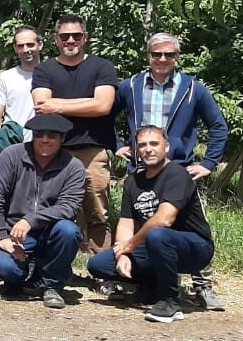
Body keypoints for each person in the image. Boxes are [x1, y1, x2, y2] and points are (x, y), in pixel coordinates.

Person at [115, 33, 228, 311]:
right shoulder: (131, 86)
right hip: (140, 169)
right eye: (157, 54)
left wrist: (209, 162)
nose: (163, 59)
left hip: (179, 170)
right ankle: (149, 284)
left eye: (169, 54)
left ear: (177, 56)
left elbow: (218, 126)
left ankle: (203, 286)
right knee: (146, 227)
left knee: (189, 226)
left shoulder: (193, 89)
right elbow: (108, 115)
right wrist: (117, 144)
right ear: (148, 56)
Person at [87, 126, 216, 324]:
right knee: (99, 264)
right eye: (142, 145)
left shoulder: (177, 174)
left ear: (166, 147)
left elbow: (165, 219)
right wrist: (123, 254)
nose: (148, 149)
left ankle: (170, 301)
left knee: (157, 234)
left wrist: (130, 245)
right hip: (156, 245)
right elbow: (126, 223)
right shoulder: (133, 181)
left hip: (195, 248)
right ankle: (152, 284)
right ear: (137, 150)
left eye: (154, 144)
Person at [31, 14, 119, 254]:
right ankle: (55, 267)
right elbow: (42, 107)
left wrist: (58, 105)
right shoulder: (44, 69)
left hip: (93, 150)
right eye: (65, 36)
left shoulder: (102, 66)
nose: (71, 40)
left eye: (76, 36)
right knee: (51, 209)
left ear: (85, 38)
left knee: (97, 211)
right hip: (53, 151)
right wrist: (87, 102)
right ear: (56, 39)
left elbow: (103, 106)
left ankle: (101, 267)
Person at [0, 113, 85, 310]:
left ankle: (52, 285)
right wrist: (1, 238)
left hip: (51, 233)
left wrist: (31, 219)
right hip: (15, 234)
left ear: (62, 139)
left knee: (69, 231)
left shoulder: (73, 166)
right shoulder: (11, 156)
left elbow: (70, 206)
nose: (45, 139)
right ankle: (24, 276)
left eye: (52, 135)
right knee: (3, 266)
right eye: (39, 134)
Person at [0, 25, 42, 162]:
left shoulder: (52, 74)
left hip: (45, 148)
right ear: (15, 49)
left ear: (40, 45)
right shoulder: (6, 77)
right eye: (21, 46)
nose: (26, 50)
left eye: (30, 45)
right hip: (11, 148)